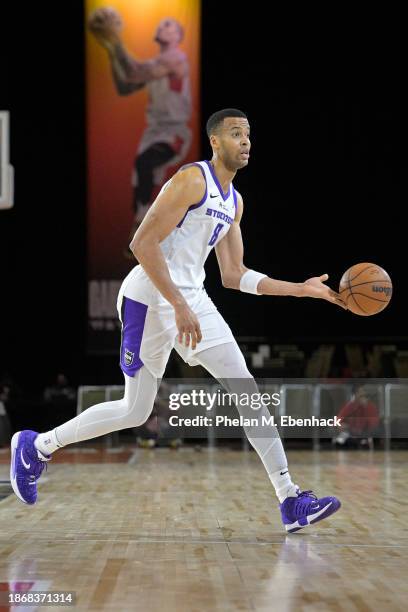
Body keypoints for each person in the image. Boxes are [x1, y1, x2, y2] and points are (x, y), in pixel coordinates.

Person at [11, 109, 345, 533]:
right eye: (235, 134)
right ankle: (37, 446)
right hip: (150, 294)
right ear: (215, 142)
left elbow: (235, 275)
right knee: (135, 410)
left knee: (246, 388)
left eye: (249, 134)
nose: (245, 141)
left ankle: (290, 499)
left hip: (192, 297)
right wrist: (178, 303)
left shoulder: (234, 202)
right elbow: (141, 243)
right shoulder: (192, 180)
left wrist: (301, 288)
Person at [89, 9, 192, 248]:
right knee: (143, 181)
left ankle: (141, 224)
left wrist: (115, 41)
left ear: (178, 36)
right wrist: (111, 51)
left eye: (169, 24)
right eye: (162, 24)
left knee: (145, 163)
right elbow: (125, 86)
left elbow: (133, 72)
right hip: (154, 132)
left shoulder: (176, 58)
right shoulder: (156, 65)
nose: (163, 26)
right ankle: (147, 234)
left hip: (174, 130)